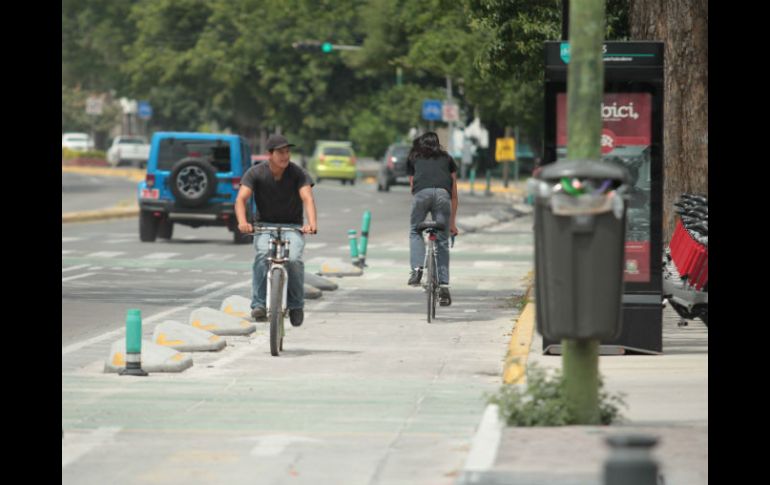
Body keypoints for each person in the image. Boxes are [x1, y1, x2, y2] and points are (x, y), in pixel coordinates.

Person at [235, 134, 318, 327]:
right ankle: (259, 304)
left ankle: (296, 305)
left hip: (293, 227)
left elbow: (308, 198)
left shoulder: (298, 173)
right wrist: (242, 222)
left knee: (295, 259)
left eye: (288, 152)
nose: (285, 156)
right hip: (264, 226)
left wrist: (311, 223)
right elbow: (241, 199)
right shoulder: (255, 173)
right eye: (280, 152)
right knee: (263, 254)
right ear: (270, 154)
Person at [406, 132, 459, 306]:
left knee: (415, 230)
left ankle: (416, 270)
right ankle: (444, 287)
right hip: (444, 195)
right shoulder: (447, 159)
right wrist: (451, 224)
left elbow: (413, 187)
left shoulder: (414, 158)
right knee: (442, 240)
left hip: (421, 194)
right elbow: (454, 193)